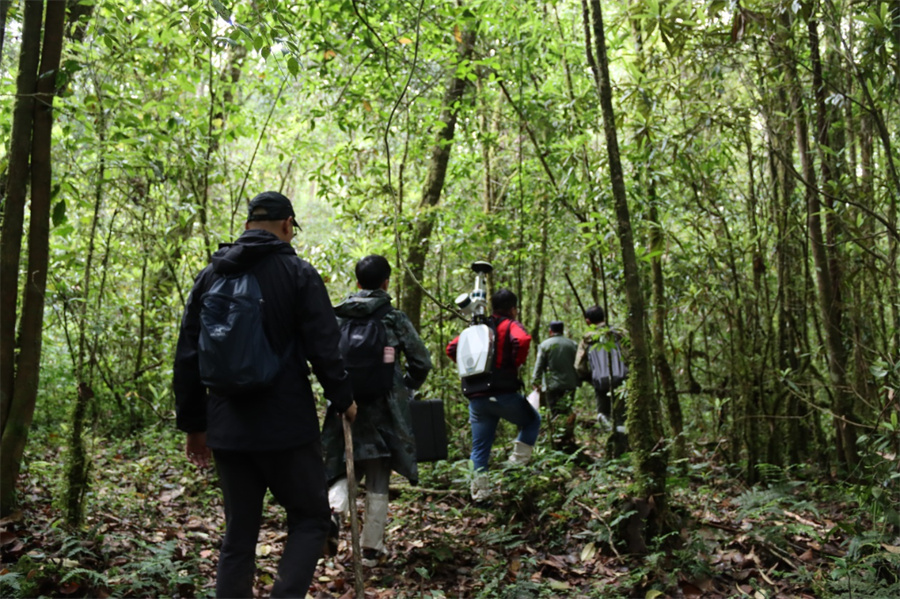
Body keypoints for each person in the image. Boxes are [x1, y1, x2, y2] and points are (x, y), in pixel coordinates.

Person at [173, 191, 357, 598]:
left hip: (228, 427)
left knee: (238, 534)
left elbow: (187, 355)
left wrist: (193, 426)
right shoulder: (298, 274)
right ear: (288, 225)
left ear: (245, 226)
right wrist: (344, 399)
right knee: (309, 519)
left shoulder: (210, 275)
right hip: (286, 427)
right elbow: (325, 347)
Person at [321, 255, 433, 567]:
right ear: (386, 282)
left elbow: (323, 359)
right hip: (385, 409)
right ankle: (370, 550)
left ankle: (333, 513)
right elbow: (422, 361)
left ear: (357, 282)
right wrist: (406, 385)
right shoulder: (393, 318)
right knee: (378, 475)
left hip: (345, 406)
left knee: (345, 465)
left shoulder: (338, 316)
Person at [446, 288, 539, 501]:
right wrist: (513, 364)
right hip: (503, 393)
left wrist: (472, 371)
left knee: (479, 448)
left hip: (477, 399)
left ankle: (480, 497)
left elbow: (451, 348)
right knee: (533, 420)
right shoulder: (509, 325)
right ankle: (513, 470)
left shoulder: (478, 328)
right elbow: (523, 340)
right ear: (513, 309)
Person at [575, 305, 628, 453]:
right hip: (621, 379)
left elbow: (578, 365)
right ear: (604, 317)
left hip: (599, 381)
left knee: (603, 413)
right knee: (621, 415)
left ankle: (610, 436)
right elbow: (630, 355)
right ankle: (621, 446)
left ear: (587, 321)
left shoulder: (587, 339)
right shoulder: (619, 334)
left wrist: (587, 377)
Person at [531, 320, 579, 450]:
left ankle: (557, 441)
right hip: (570, 384)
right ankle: (568, 438)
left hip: (552, 385)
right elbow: (578, 365)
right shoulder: (573, 344)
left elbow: (539, 365)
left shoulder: (545, 345)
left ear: (550, 331)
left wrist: (535, 380)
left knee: (555, 412)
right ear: (562, 330)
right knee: (568, 411)